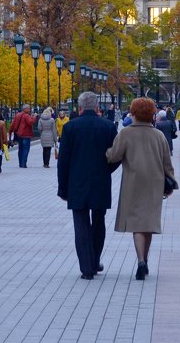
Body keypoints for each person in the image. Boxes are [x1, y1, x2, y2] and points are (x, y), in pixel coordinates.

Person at [106, 97, 174, 281]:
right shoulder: (158, 135)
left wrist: (105, 151)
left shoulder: (126, 133)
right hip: (155, 183)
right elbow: (167, 162)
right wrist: (171, 183)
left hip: (133, 182)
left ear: (133, 113)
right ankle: (146, 260)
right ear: (151, 114)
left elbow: (113, 156)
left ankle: (140, 260)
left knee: (136, 222)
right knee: (148, 223)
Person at [57, 91, 118, 280]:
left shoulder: (70, 128)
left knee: (80, 224)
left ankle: (86, 267)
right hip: (100, 181)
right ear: (97, 106)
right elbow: (116, 156)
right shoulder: (108, 127)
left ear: (80, 107)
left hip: (77, 182)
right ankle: (95, 259)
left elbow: (63, 160)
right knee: (99, 222)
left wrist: (63, 187)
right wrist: (107, 169)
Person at [10, 104, 36, 168]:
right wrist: (34, 117)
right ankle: (23, 163)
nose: (30, 110)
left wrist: (10, 132)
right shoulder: (26, 115)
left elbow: (12, 124)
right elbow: (31, 122)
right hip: (26, 135)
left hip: (19, 134)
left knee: (20, 149)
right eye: (29, 108)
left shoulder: (18, 115)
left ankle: (20, 163)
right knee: (26, 149)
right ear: (25, 109)